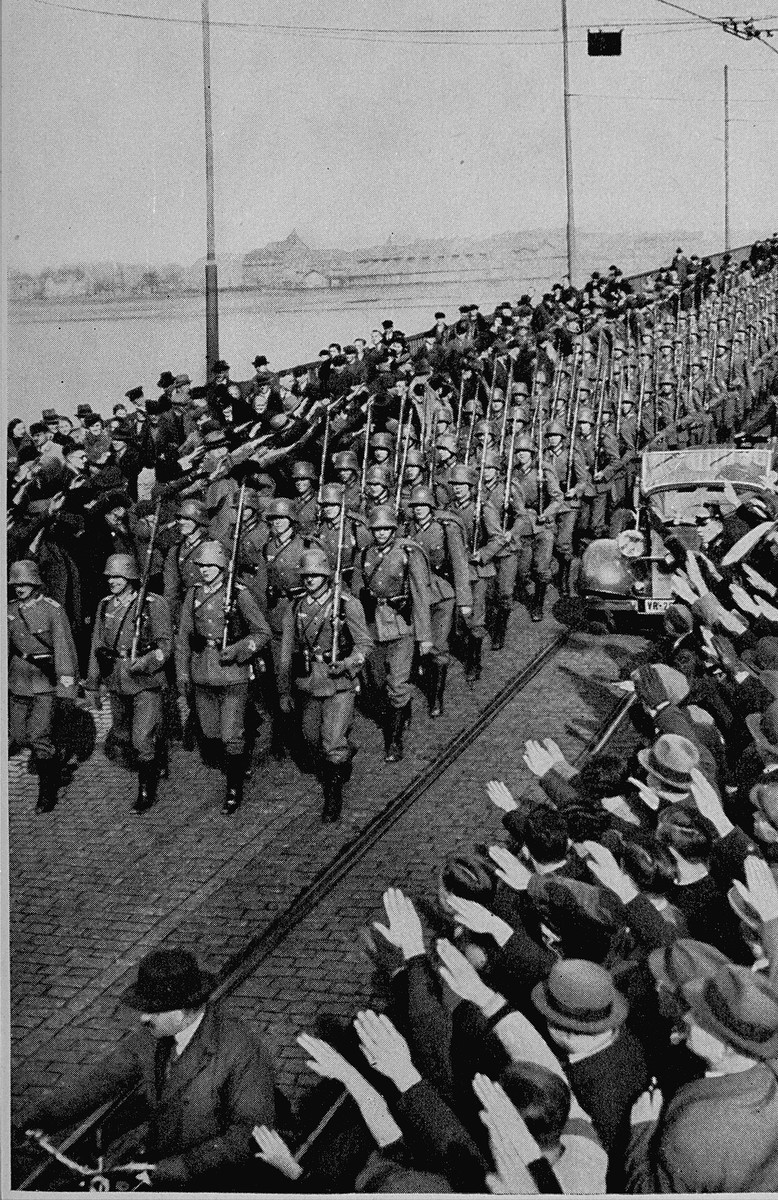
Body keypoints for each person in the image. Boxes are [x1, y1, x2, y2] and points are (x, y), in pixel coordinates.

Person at [19, 948, 276, 1192]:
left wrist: (170, 1171)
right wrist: (38, 1118)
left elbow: (249, 1134)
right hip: (158, 1166)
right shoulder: (152, 1036)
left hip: (209, 1178)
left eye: (152, 1010)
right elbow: (101, 1081)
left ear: (181, 1012)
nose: (143, 1018)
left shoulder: (241, 1049)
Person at [278, 547, 373, 821]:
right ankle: (343, 751)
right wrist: (285, 690)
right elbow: (286, 651)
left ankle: (332, 798)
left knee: (331, 743)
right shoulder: (295, 607)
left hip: (339, 681)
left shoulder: (345, 604)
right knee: (310, 737)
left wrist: (348, 663)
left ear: (326, 576)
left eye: (316, 575)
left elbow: (364, 644)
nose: (310, 580)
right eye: (306, 575)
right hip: (309, 680)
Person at [175, 540, 271, 813]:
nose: (205, 570)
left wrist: (239, 649)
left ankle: (233, 788)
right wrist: (182, 672)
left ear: (221, 566)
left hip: (232, 672)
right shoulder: (192, 595)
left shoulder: (238, 594)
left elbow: (262, 632)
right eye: (201, 565)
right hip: (202, 670)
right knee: (211, 732)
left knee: (231, 736)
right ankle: (245, 733)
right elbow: (183, 636)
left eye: (211, 565)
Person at [85, 553, 173, 814]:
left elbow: (165, 644)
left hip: (145, 679)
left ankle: (146, 791)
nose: (112, 581)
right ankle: (156, 757)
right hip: (116, 678)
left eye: (118, 577)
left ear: (131, 577)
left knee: (141, 738)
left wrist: (146, 662)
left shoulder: (152, 604)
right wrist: (92, 684)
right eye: (109, 576)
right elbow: (96, 646)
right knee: (122, 733)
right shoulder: (104, 605)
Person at [351, 504, 433, 761]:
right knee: (376, 683)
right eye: (377, 529)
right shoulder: (364, 554)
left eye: (386, 529)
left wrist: (425, 636)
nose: (382, 533)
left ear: (393, 529)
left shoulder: (408, 553)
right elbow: (355, 593)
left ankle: (394, 740)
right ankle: (401, 707)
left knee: (397, 683)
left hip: (401, 625)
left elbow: (420, 595)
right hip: (373, 626)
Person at [8, 560, 79, 813]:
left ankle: (47, 791)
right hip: (18, 682)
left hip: (44, 683)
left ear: (35, 583)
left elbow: (64, 649)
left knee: (39, 737)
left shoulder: (52, 610)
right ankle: (54, 758)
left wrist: (66, 688)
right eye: (16, 584)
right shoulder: (10, 611)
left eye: (25, 583)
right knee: (18, 736)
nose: (20, 588)